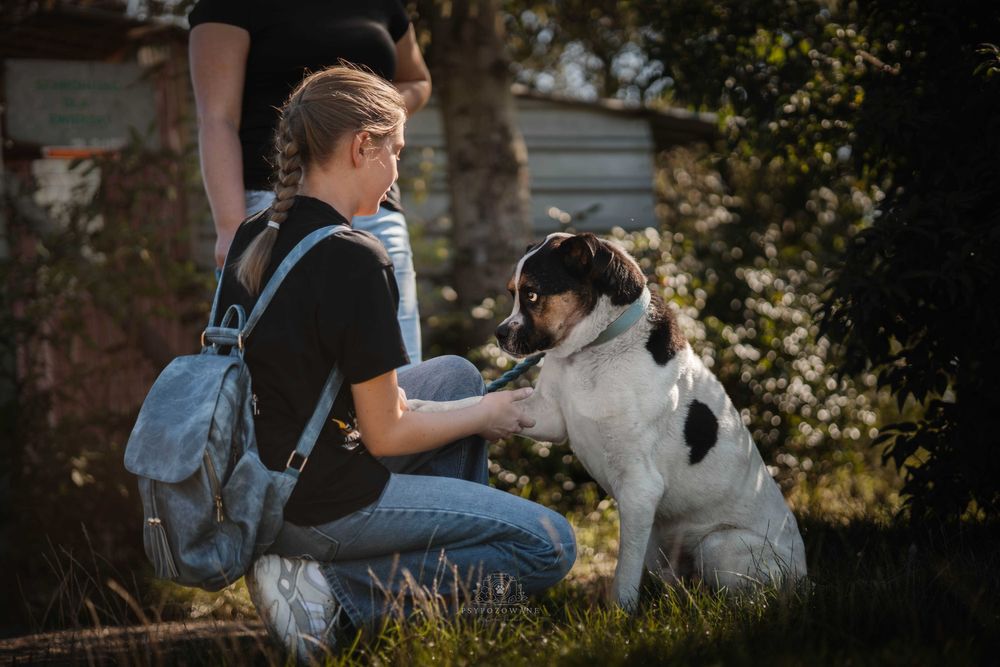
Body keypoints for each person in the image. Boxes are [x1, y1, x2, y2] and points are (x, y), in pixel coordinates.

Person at [209, 66, 576, 661]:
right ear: (362, 146)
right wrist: (485, 413)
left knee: (454, 373)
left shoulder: (254, 234)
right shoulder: (356, 259)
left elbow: (315, 388)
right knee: (550, 545)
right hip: (316, 502)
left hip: (261, 481)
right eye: (396, 152)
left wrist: (467, 403)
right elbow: (386, 433)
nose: (397, 170)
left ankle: (422, 593)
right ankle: (337, 592)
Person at [188, 0, 428, 365]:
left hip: (375, 209)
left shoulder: (385, 5)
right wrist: (231, 228)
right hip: (274, 206)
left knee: (401, 374)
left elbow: (417, 80)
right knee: (274, 376)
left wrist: (370, 113)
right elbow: (216, 119)